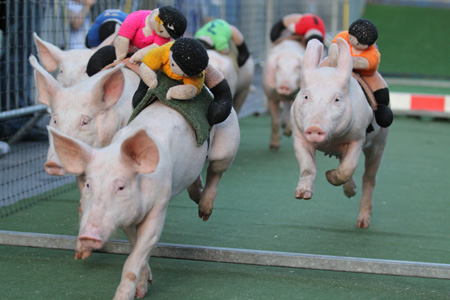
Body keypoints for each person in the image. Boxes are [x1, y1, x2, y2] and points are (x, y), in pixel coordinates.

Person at [330, 19, 393, 128]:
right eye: (351, 38)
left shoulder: (373, 53)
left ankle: (379, 110)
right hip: (337, 65)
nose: (352, 42)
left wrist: (343, 59)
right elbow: (334, 46)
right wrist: (335, 58)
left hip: (364, 73)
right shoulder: (343, 35)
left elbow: (364, 64)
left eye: (358, 43)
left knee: (381, 93)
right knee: (321, 71)